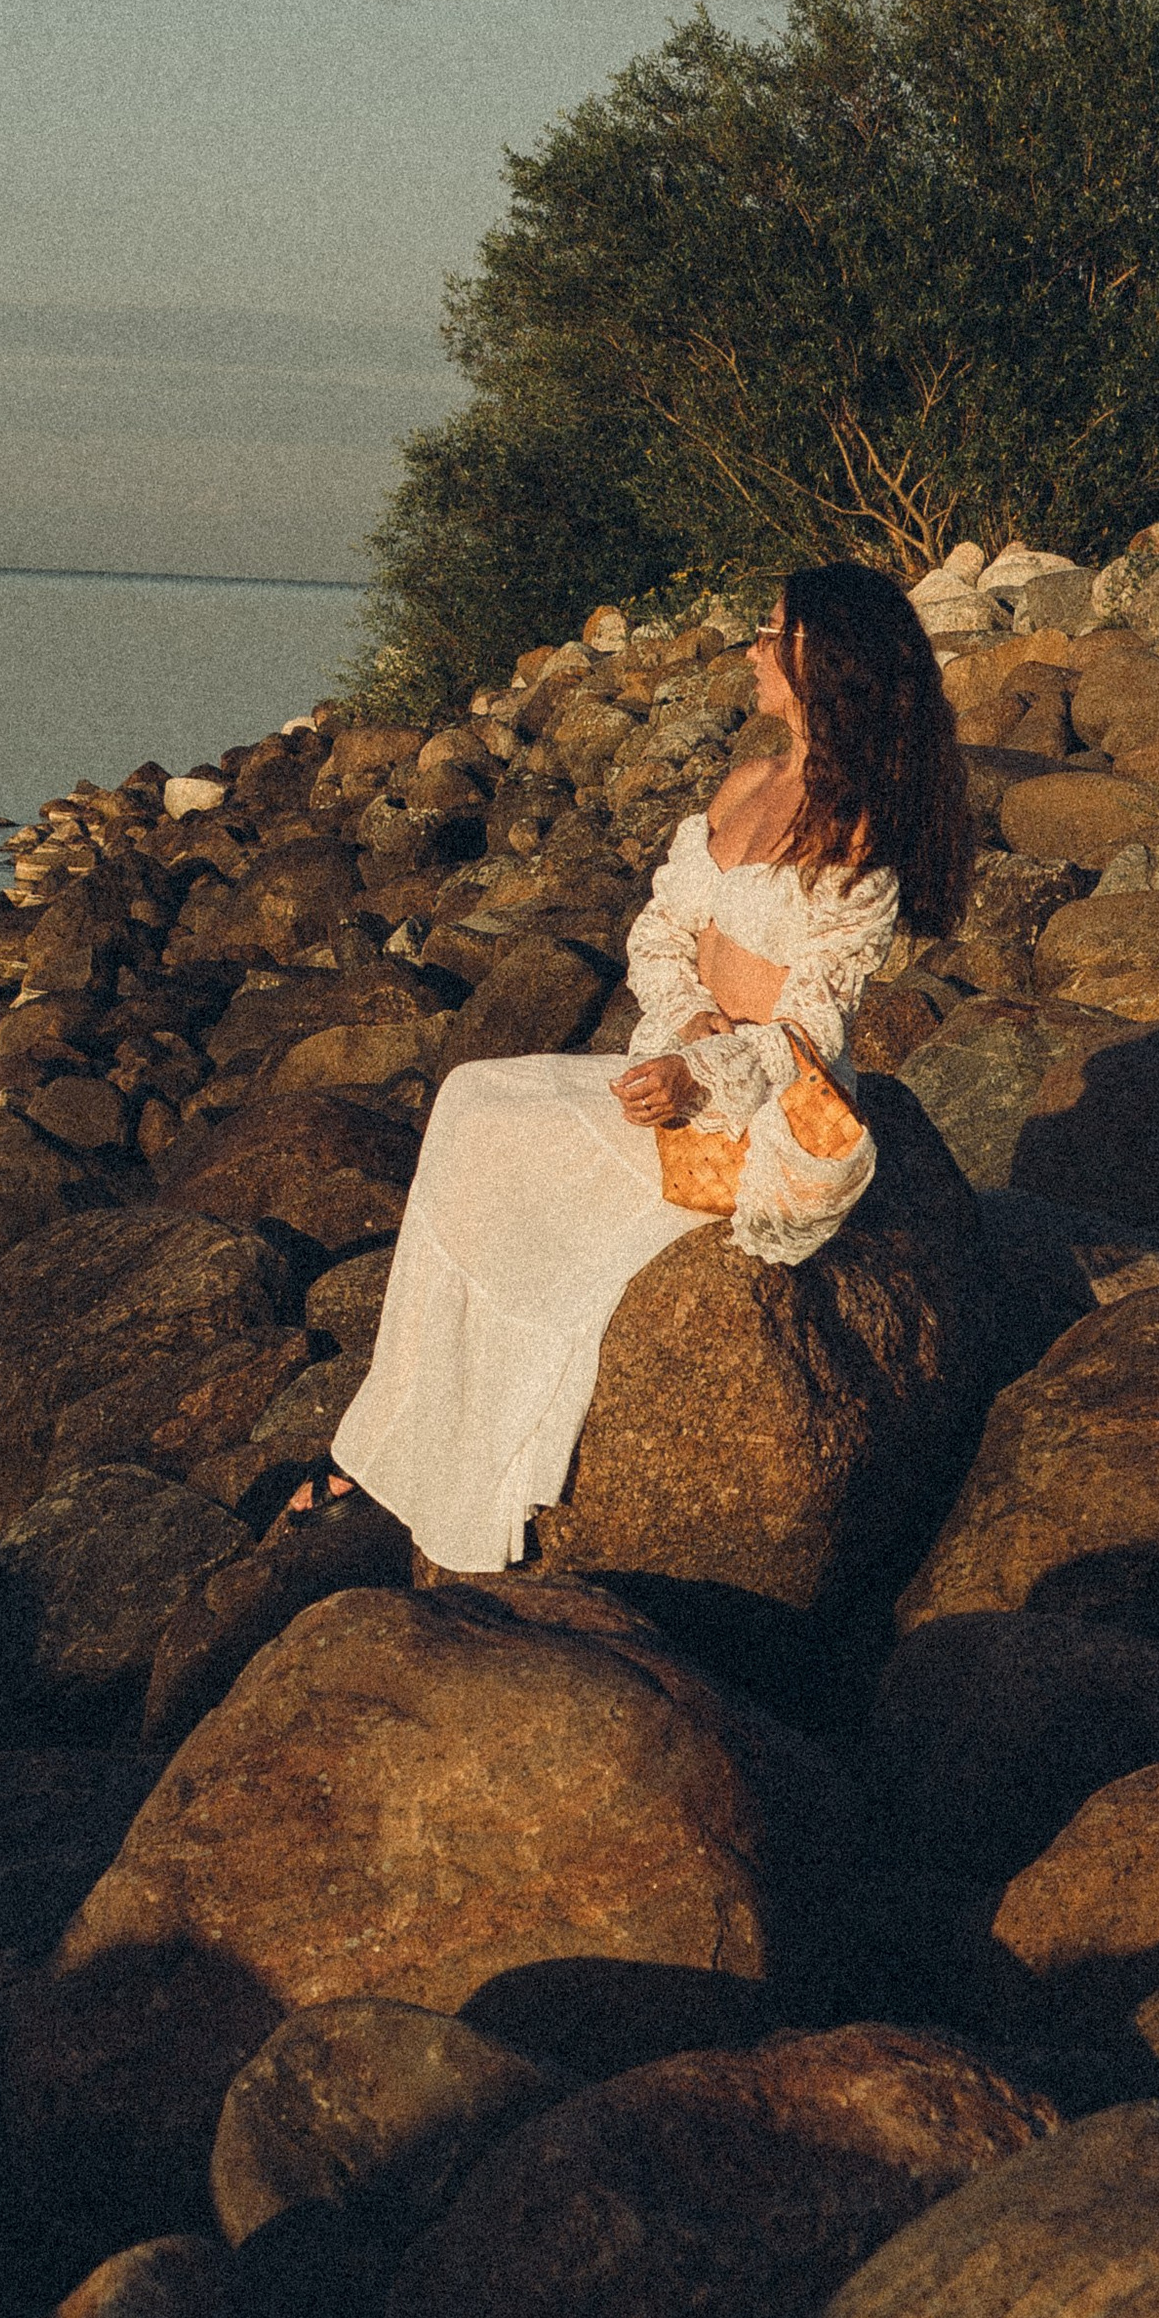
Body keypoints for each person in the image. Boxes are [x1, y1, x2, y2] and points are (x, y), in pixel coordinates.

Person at [314, 560, 973, 1576]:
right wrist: (685, 1025)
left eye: (772, 634)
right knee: (471, 1100)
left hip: (752, 1115)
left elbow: (812, 1024)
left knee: (492, 1139)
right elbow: (660, 935)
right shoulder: (751, 780)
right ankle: (400, 1433)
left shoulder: (860, 830)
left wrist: (702, 1075)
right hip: (677, 1063)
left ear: (821, 659)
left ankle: (458, 1465)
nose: (752, 649)